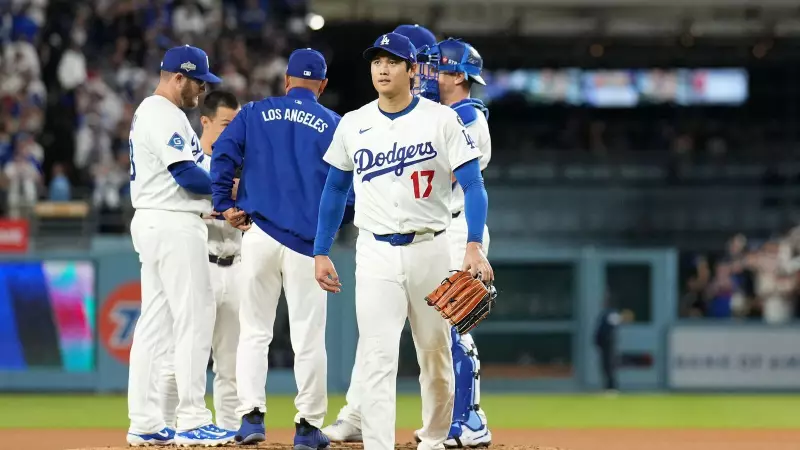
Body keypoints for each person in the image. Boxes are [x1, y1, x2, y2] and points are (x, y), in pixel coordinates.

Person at [313, 32, 493, 450]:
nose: (382, 68)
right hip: (374, 250)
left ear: (413, 70)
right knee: (377, 355)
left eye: (392, 61)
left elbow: (474, 185)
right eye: (377, 61)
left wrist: (472, 244)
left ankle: (434, 438)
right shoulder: (354, 122)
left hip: (431, 246)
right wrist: (321, 249)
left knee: (435, 353)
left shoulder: (442, 119)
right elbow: (335, 189)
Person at [210, 48, 340, 449]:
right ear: (322, 85)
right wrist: (331, 230)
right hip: (307, 244)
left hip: (259, 235)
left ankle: (251, 417)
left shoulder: (254, 112)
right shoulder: (334, 123)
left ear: (286, 81)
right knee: (308, 338)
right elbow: (347, 188)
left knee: (253, 332)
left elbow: (222, 153)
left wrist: (224, 203)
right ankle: (307, 427)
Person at [126, 45, 237, 446]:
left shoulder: (163, 114)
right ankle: (191, 419)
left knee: (154, 325)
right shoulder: (161, 112)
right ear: (178, 78)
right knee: (195, 317)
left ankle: (144, 421)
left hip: (159, 220)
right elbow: (188, 176)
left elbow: (200, 168)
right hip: (172, 222)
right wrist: (229, 192)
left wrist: (227, 190)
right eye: (198, 82)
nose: (202, 90)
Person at [157, 90, 243, 432]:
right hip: (199, 264)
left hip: (236, 264)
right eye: (225, 124)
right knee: (179, 356)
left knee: (231, 364)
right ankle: (163, 428)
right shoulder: (190, 166)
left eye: (236, 124)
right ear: (205, 121)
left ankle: (230, 430)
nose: (233, 131)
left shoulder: (244, 166)